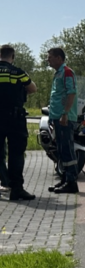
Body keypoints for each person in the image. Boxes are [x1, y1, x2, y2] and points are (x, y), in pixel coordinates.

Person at [0, 45, 37, 200]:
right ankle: (16, 189)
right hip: (14, 118)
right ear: (12, 56)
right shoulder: (18, 73)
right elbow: (33, 88)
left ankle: (4, 180)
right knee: (16, 154)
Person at [46, 47, 79, 194]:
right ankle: (65, 179)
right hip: (57, 117)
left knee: (67, 149)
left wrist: (65, 113)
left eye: (50, 57)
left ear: (59, 58)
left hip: (64, 118)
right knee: (60, 149)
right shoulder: (58, 73)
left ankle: (71, 182)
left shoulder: (66, 72)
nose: (48, 59)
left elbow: (71, 93)